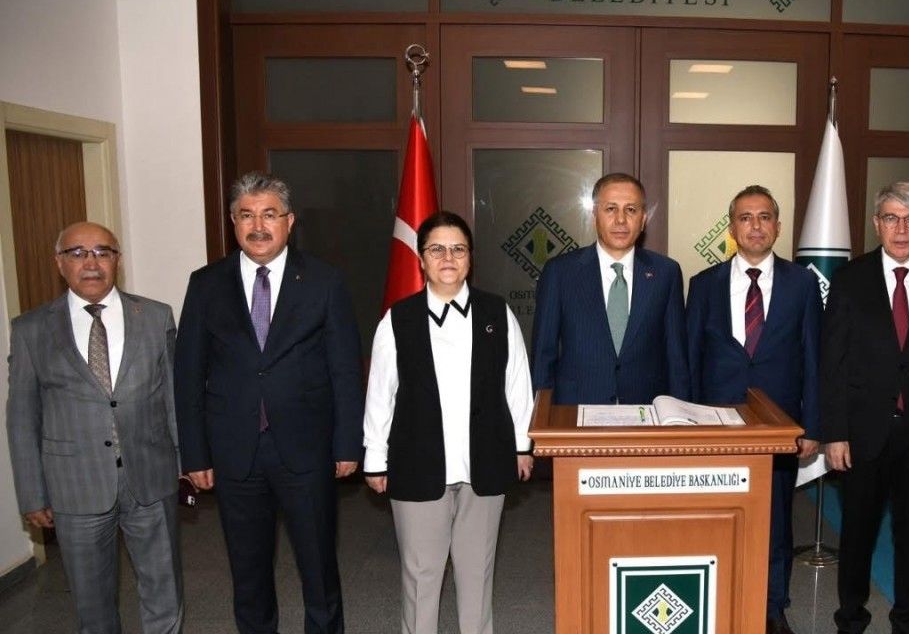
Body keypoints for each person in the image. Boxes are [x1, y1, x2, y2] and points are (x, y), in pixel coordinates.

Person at [174, 172, 363, 633]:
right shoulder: (206, 284)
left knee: (318, 568)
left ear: (289, 221)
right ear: (233, 222)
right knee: (248, 573)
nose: (258, 226)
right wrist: (194, 454)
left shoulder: (324, 280)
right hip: (234, 451)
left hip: (307, 449)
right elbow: (188, 374)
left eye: (269, 215)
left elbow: (345, 369)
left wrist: (347, 444)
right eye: (246, 215)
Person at [6, 222, 183, 634]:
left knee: (164, 589)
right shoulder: (31, 329)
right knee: (93, 602)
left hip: (151, 477)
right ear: (59, 263)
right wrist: (32, 492)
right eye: (77, 253)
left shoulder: (155, 316)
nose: (91, 263)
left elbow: (173, 398)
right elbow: (22, 416)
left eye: (103, 252)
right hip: (75, 485)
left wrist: (184, 463)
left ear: (117, 261)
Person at [363, 210, 534, 634]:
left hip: (486, 462)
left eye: (458, 249)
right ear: (421, 259)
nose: (448, 258)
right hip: (417, 463)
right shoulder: (397, 319)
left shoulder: (497, 313)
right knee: (421, 576)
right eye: (436, 249)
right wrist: (375, 459)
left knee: (477, 573)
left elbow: (518, 384)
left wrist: (521, 446)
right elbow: (380, 393)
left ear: (470, 258)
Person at [820, 182, 909, 634]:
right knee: (857, 533)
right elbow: (833, 362)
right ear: (876, 223)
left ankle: (908, 619)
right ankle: (850, 618)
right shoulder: (849, 279)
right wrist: (834, 432)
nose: (901, 229)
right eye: (891, 218)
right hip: (863, 433)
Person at [685, 185, 821, 634]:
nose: (756, 226)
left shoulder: (803, 283)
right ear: (732, 228)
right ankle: (720, 601)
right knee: (718, 516)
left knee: (776, 520)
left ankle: (772, 607)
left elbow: (813, 357)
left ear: (778, 227)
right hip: (716, 426)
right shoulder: (703, 284)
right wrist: (686, 424)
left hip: (779, 425)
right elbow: (690, 359)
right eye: (746, 218)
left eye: (764, 217)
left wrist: (811, 425)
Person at [532, 172, 689, 404]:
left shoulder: (666, 273)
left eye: (631, 210)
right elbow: (543, 355)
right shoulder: (560, 272)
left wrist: (680, 415)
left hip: (646, 412)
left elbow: (676, 357)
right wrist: (543, 415)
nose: (621, 220)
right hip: (576, 411)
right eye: (610, 209)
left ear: (643, 219)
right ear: (594, 216)